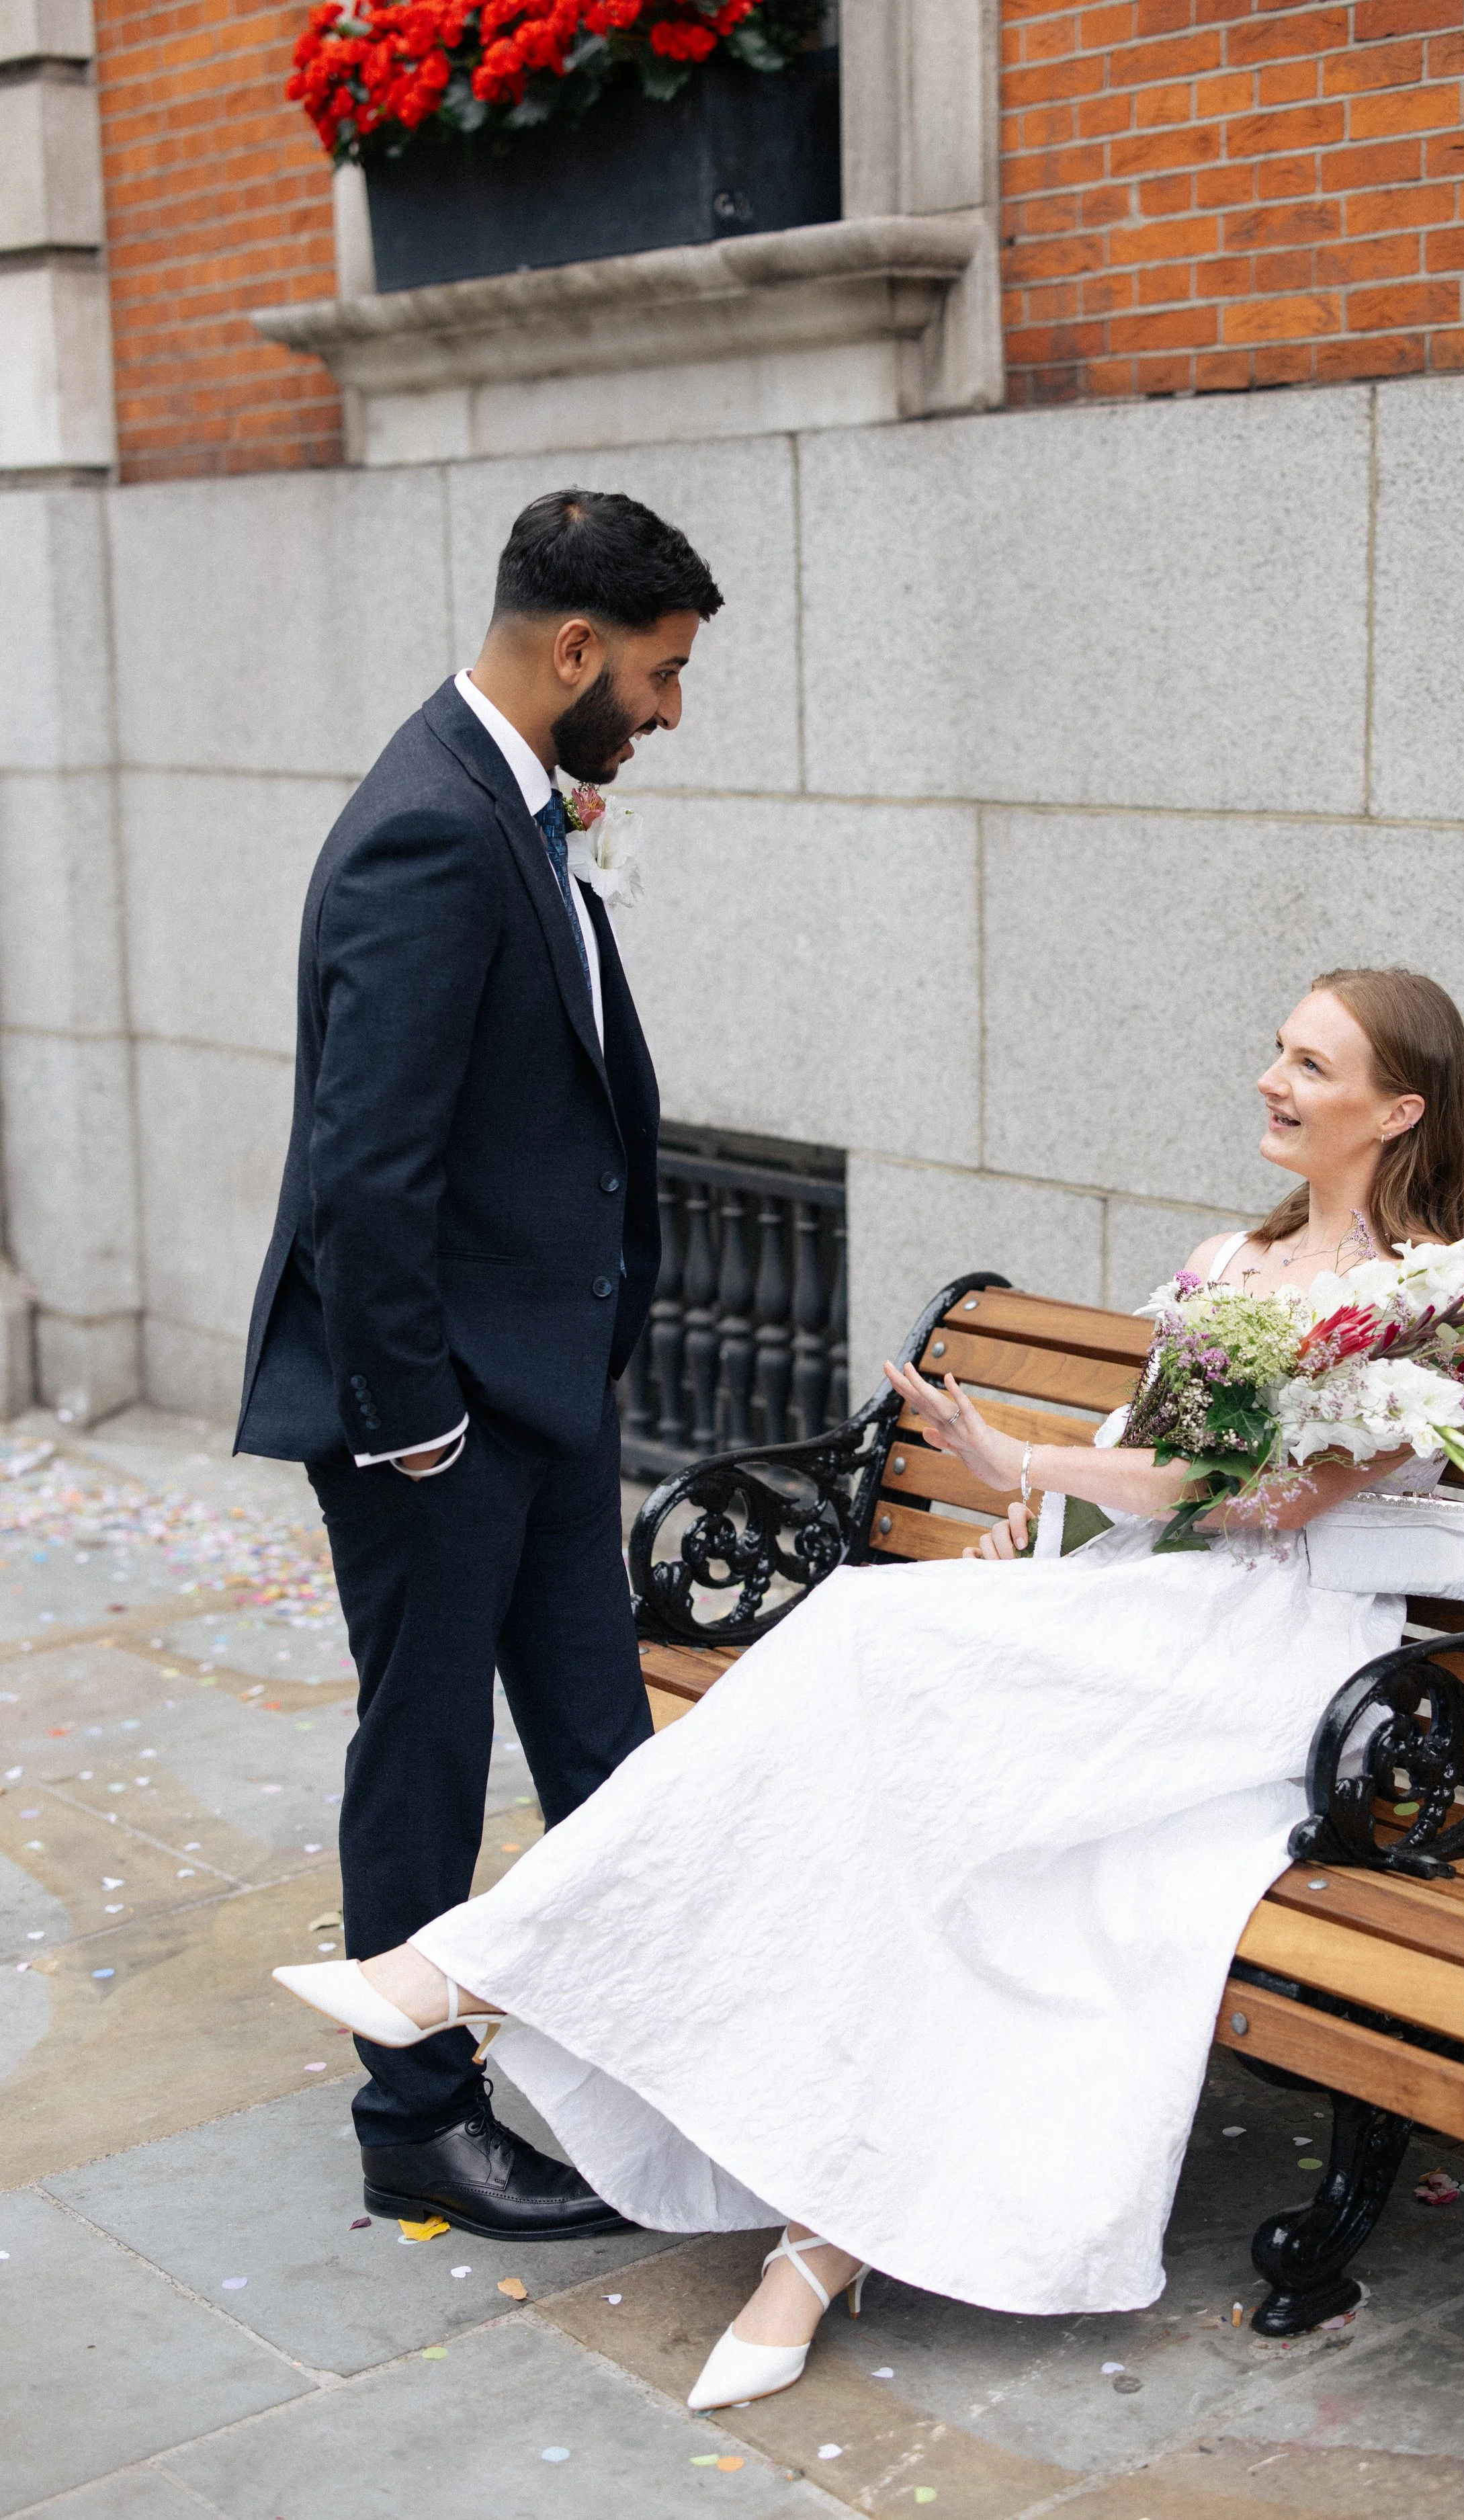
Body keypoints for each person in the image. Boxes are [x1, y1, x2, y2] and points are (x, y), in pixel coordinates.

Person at [274, 967, 1464, 2391]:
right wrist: (1022, 1530)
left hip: (1272, 1654)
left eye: (1311, 1064)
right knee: (926, 1823)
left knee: (861, 1638)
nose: (1273, 1081)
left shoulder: (1423, 1301)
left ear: (1396, 1109)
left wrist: (1017, 1462)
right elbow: (1149, 1473)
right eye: (1274, 1049)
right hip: (1139, 1605)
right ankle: (810, 2238)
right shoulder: (1229, 1264)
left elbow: (1266, 1503)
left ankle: (473, 1972)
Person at [241, 489, 722, 2237]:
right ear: (574, 648)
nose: (670, 710)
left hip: (542, 1390)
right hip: (443, 1416)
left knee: (601, 1740)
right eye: (661, 675)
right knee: (427, 1751)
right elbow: (368, 1163)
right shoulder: (427, 828)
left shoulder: (522, 805)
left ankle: (658, 2071)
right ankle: (413, 2116)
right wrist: (416, 1425)